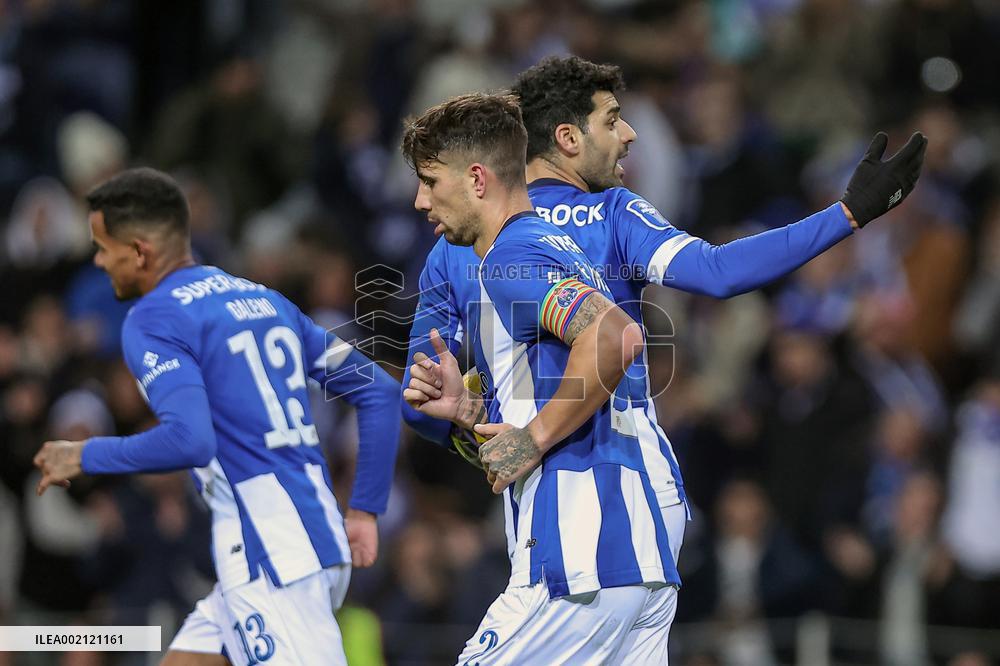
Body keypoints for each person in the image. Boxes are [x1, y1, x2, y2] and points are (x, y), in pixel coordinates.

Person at [401, 56, 927, 662]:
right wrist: (846, 215)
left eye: (428, 183)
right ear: (568, 139)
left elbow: (422, 406)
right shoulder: (613, 215)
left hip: (582, 521)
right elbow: (719, 271)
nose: (629, 135)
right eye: (614, 120)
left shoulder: (460, 253)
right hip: (646, 501)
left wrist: (503, 430)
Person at [33, 168, 400, 666]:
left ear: (139, 251)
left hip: (271, 558)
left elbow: (190, 441)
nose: (98, 261)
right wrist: (364, 510)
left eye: (103, 247)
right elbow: (377, 390)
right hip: (309, 535)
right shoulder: (265, 301)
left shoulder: (153, 319)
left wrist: (86, 454)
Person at [402, 92, 680, 664]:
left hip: (580, 556)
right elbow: (572, 374)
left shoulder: (508, 258)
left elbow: (616, 337)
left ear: (476, 178)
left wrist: (534, 437)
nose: (419, 199)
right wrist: (471, 417)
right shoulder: (555, 247)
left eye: (431, 181)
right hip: (638, 557)